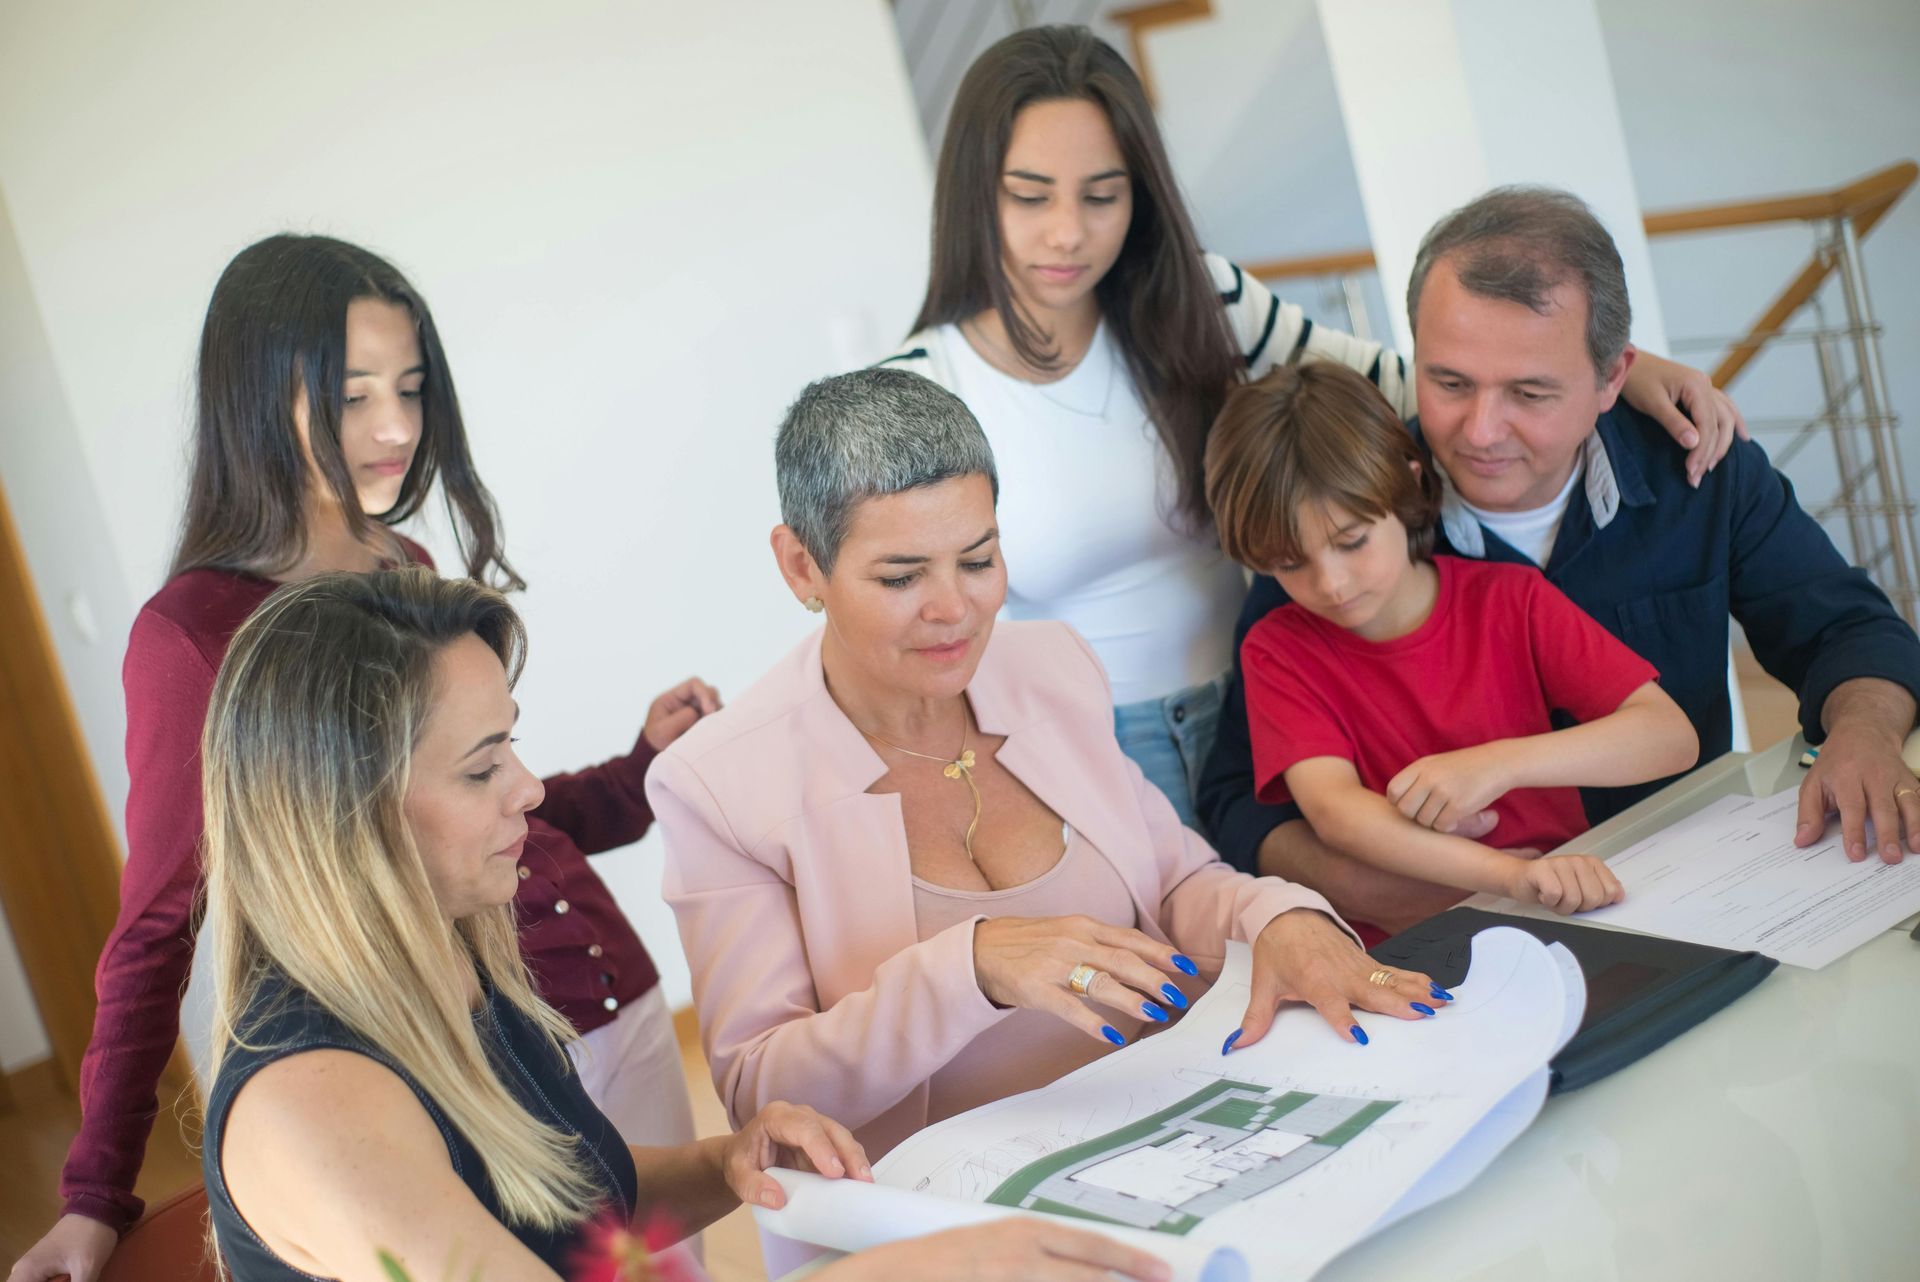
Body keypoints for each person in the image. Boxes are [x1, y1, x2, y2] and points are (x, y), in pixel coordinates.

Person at [10, 236, 718, 1282]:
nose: (395, 428)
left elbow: (484, 795)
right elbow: (160, 921)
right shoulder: (197, 636)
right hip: (441, 1045)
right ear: (259, 395)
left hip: (569, 1000)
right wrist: (93, 1191)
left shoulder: (405, 564)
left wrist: (635, 768)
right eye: (352, 395)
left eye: (412, 387)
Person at [197, 568, 1171, 1282]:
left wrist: (725, 1163)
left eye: (514, 746)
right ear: (346, 812)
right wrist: (924, 1264)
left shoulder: (456, 973)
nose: (530, 791)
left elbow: (577, 1207)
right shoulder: (313, 1105)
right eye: (481, 765)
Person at [881, 24, 1745, 826]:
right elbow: (906, 614)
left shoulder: (1202, 301)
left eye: (1103, 196)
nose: (1067, 232)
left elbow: (1418, 390)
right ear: (973, 195)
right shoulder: (919, 392)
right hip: (1087, 745)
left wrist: (1627, 375)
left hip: (1271, 705)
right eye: (1030, 197)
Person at [649, 369, 1451, 1190]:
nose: (954, 608)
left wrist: (1282, 917)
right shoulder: (716, 784)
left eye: (979, 558)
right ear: (800, 566)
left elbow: (1177, 882)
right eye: (901, 577)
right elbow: (761, 1089)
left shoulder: (1051, 667)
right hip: (944, 1212)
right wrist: (973, 968)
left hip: (1177, 1133)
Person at [1198, 187, 1920, 936]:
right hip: (1465, 927)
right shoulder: (1343, 514)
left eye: (1530, 392)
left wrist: (1862, 734)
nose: (1481, 431)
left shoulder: (1700, 469)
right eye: (1449, 382)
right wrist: (1373, 884)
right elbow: (1236, 796)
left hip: (1697, 883)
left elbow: (1847, 630)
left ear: (1613, 379)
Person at [1203, 361, 1699, 929]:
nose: (1331, 583)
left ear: (1409, 484)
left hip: (1574, 914)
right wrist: (1507, 878)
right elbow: (1334, 811)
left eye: (1352, 541)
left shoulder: (1512, 601)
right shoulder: (1278, 650)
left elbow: (1670, 737)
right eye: (1290, 564)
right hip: (1413, 949)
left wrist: (1496, 766)